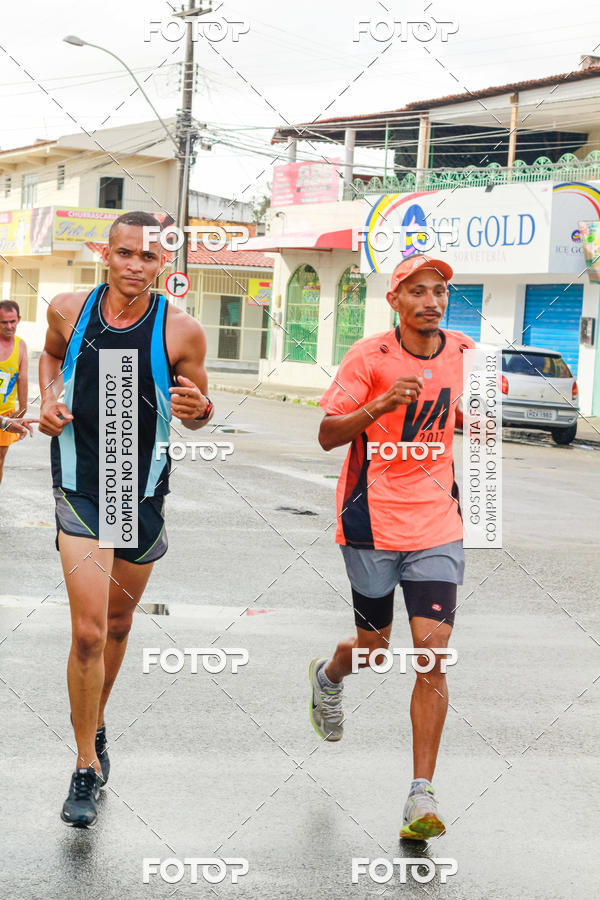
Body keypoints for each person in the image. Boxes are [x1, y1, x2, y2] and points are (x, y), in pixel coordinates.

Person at [38, 210, 214, 828]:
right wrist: (48, 399)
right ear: (104, 254)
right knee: (87, 632)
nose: (136, 265)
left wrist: (198, 409)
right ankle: (84, 764)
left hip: (140, 491)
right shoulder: (67, 308)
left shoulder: (181, 330)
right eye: (125, 253)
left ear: (163, 262)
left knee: (116, 626)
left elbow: (198, 407)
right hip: (83, 486)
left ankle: (98, 718)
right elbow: (52, 357)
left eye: (149, 256)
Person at [309, 255, 475, 840]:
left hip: (437, 524)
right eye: (418, 292)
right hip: (371, 523)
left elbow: (474, 423)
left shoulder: (464, 354)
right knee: (376, 651)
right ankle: (330, 675)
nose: (432, 301)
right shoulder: (368, 357)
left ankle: (420, 795)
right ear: (395, 301)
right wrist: (378, 405)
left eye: (440, 292)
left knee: (432, 653)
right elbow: (328, 434)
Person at [0, 300, 32, 482]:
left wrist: (23, 407)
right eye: (4, 322)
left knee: (0, 458)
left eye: (12, 321)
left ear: (19, 319)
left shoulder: (21, 345)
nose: (9, 326)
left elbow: (23, 378)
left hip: (7, 411)